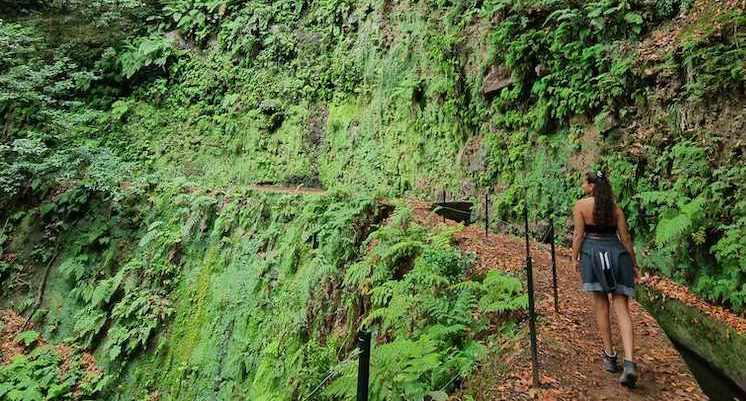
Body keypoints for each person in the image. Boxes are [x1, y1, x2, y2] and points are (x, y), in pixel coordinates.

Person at [572, 170, 640, 388]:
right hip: (618, 255)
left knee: (601, 306)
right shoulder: (615, 209)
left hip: (593, 255)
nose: (583, 185)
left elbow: (578, 236)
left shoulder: (581, 206)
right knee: (622, 308)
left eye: (585, 182)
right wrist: (634, 263)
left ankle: (610, 356)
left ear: (592, 186)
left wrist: (574, 257)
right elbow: (626, 238)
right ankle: (629, 362)